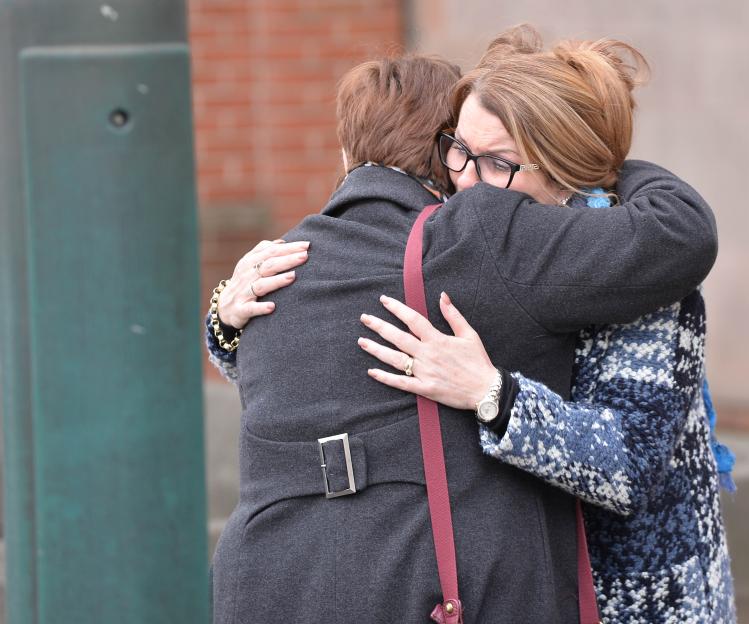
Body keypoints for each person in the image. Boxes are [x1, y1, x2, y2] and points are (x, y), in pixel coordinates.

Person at [207, 29, 723, 624]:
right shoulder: (457, 242)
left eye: (499, 162)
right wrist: (226, 317)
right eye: (456, 151)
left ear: (566, 169)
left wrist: (492, 395)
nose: (466, 184)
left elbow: (632, 468)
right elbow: (330, 366)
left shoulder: (634, 271)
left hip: (635, 591)